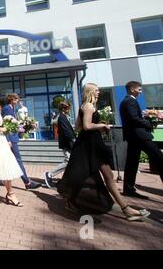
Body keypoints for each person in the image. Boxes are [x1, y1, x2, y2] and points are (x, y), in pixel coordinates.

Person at [57, 83, 149, 222]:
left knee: (105, 175)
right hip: (91, 144)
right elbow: (86, 126)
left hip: (89, 143)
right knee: (103, 176)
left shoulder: (84, 105)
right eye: (96, 90)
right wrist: (102, 125)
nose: (99, 92)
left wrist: (98, 127)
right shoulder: (89, 106)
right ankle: (126, 209)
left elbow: (78, 126)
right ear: (90, 91)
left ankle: (126, 209)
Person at [120, 81, 163, 199]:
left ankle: (128, 189)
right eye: (139, 89)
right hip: (139, 136)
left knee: (132, 162)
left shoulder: (127, 101)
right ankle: (128, 188)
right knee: (159, 157)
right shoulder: (130, 101)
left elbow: (133, 117)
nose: (141, 91)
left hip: (134, 136)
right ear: (132, 89)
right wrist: (148, 123)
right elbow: (134, 118)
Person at [1, 94, 41, 190]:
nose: (17, 100)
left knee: (9, 160)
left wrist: (28, 126)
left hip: (13, 137)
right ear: (11, 99)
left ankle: (2, 179)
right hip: (10, 138)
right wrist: (8, 140)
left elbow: (15, 125)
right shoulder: (7, 108)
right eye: (16, 98)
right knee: (18, 160)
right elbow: (5, 124)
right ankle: (27, 182)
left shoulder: (11, 109)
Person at [44, 101, 76, 188]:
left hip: (67, 142)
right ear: (63, 109)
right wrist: (73, 140)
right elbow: (66, 131)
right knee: (68, 160)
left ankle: (68, 179)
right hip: (67, 143)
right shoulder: (61, 117)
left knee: (70, 161)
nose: (69, 110)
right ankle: (50, 174)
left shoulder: (63, 117)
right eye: (68, 108)